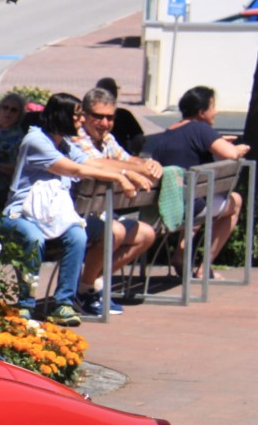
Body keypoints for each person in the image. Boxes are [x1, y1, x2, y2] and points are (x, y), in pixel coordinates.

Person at [0, 93, 148, 327]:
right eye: (76, 115)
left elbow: (93, 163)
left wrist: (127, 173)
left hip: (53, 216)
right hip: (21, 215)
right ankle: (26, 304)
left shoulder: (65, 144)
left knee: (78, 234)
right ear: (61, 115)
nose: (80, 120)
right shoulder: (35, 140)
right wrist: (122, 178)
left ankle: (63, 304)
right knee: (34, 238)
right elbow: (75, 170)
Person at [71, 89, 162, 316]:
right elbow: (97, 163)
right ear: (85, 114)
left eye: (110, 118)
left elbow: (128, 159)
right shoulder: (76, 138)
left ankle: (93, 283)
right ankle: (83, 292)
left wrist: (150, 164)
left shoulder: (108, 139)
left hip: (101, 214)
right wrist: (136, 169)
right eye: (98, 116)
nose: (104, 123)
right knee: (115, 231)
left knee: (146, 234)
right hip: (76, 216)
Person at [144, 85, 249, 278]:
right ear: (201, 112)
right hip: (190, 209)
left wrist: (216, 141)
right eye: (213, 106)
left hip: (166, 207)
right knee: (235, 201)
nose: (216, 111)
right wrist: (240, 147)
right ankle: (204, 267)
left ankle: (181, 255)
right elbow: (231, 154)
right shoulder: (200, 128)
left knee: (195, 192)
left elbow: (186, 148)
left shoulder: (167, 134)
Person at [93, 77, 145, 154]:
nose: (106, 123)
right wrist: (135, 153)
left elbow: (138, 137)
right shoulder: (124, 114)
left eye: (110, 118)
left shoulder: (89, 114)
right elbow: (139, 138)